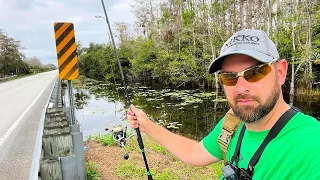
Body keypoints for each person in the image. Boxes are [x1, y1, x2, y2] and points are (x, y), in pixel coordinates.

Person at [127, 29, 320, 179]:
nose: (240, 87)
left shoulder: (311, 144)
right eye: (229, 77)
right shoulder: (233, 123)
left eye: (255, 72)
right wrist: (148, 126)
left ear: (280, 73)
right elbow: (194, 153)